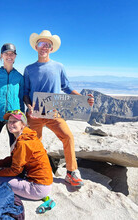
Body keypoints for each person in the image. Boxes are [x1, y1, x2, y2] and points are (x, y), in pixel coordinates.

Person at [23, 30, 94, 188]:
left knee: (67, 136)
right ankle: (34, 171)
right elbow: (25, 93)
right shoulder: (29, 69)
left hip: (53, 111)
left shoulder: (59, 66)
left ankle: (71, 172)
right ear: (36, 46)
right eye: (41, 43)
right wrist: (28, 107)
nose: (44, 47)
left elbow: (67, 87)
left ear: (51, 48)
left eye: (47, 44)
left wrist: (83, 100)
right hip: (35, 113)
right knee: (34, 144)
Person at [0, 110, 53, 200]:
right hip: (42, 182)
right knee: (3, 172)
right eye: (9, 121)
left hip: (38, 187)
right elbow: (14, 159)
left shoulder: (23, 142)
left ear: (23, 124)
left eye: (14, 121)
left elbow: (15, 170)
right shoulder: (25, 134)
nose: (10, 124)